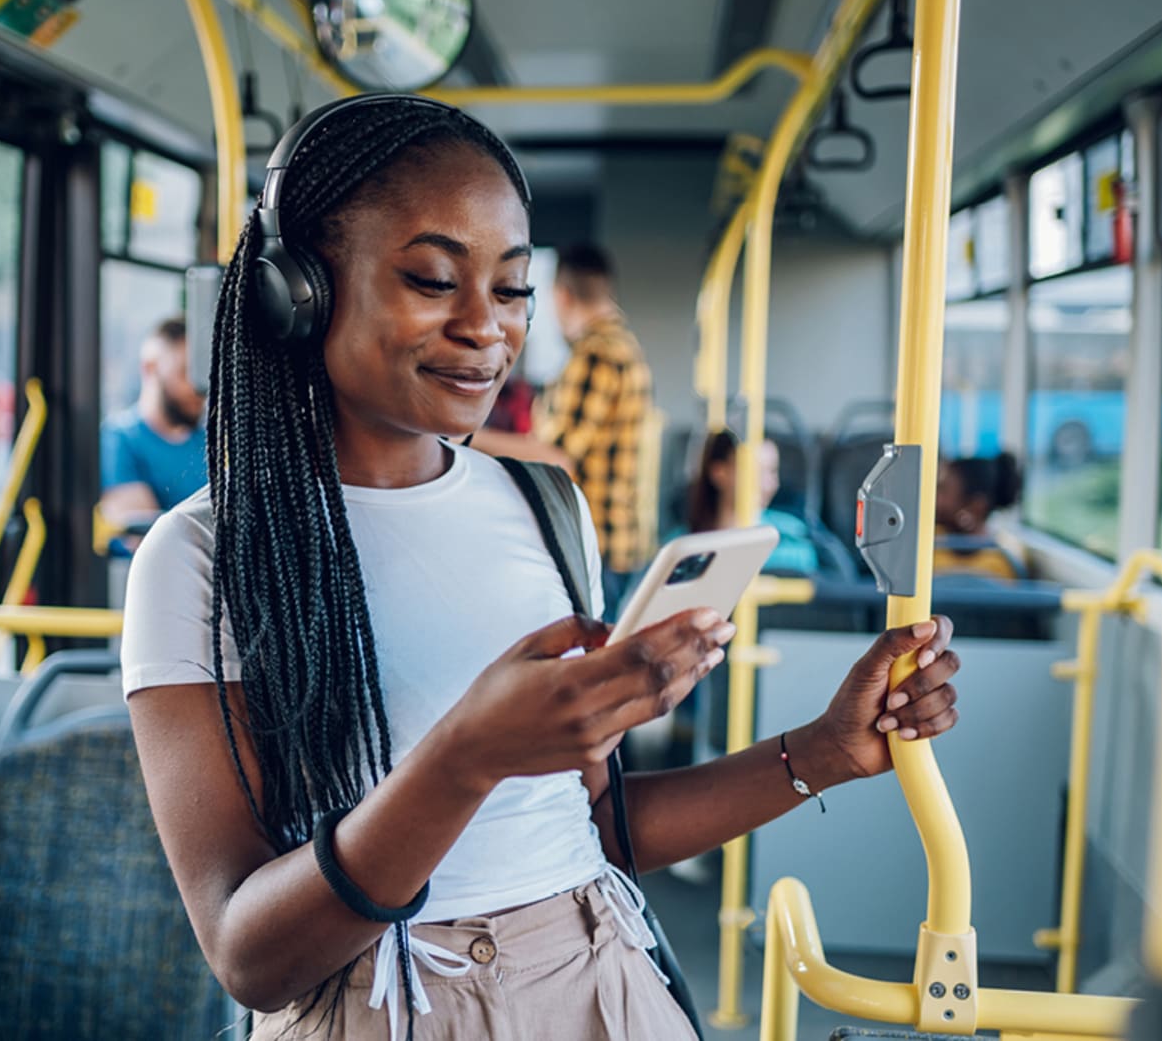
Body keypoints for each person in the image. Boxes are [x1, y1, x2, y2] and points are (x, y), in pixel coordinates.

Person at [122, 94, 963, 1041]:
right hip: (382, 1002)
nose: (488, 328)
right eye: (434, 279)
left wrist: (820, 752)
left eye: (514, 288)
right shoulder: (199, 559)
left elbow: (594, 830)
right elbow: (249, 957)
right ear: (299, 291)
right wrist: (465, 758)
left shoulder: (543, 507)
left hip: (601, 975)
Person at [528, 244, 653, 614]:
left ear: (562, 296)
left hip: (595, 542)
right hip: (620, 542)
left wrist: (468, 440)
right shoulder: (626, 348)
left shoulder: (596, 354)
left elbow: (556, 455)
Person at [98, 317, 207, 550]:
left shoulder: (210, 444)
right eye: (184, 373)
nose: (198, 389)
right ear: (150, 368)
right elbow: (146, 539)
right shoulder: (119, 439)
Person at [686, 429, 820, 575]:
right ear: (719, 473)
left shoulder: (795, 534)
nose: (768, 484)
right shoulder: (683, 546)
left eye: (772, 471)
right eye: (756, 471)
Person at [934, 452, 1025, 580]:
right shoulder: (927, 542)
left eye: (942, 489)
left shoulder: (1004, 561)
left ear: (975, 506)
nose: (933, 497)